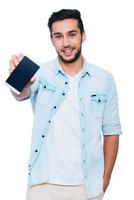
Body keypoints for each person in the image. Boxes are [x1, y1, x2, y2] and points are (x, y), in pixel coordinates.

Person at [9, 9, 122, 200]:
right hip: (43, 186)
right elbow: (20, 94)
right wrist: (18, 79)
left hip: (88, 187)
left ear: (83, 35)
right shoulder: (40, 72)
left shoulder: (104, 79)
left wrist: (105, 181)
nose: (66, 43)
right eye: (58, 36)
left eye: (72, 35)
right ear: (52, 40)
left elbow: (111, 131)